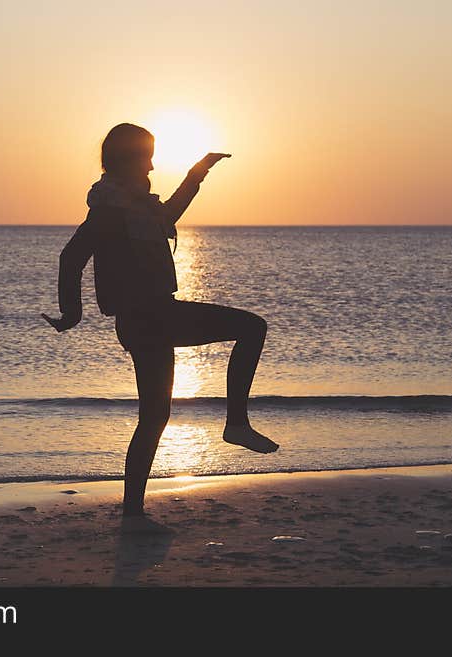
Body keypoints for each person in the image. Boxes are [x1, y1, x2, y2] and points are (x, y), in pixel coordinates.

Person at [42, 123, 278, 533]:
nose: (152, 163)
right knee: (251, 328)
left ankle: (132, 514)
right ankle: (236, 423)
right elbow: (71, 257)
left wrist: (197, 173)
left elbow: (169, 214)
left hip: (153, 316)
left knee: (154, 417)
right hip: (146, 317)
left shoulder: (138, 205)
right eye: (146, 156)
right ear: (126, 159)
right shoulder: (110, 209)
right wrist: (72, 313)